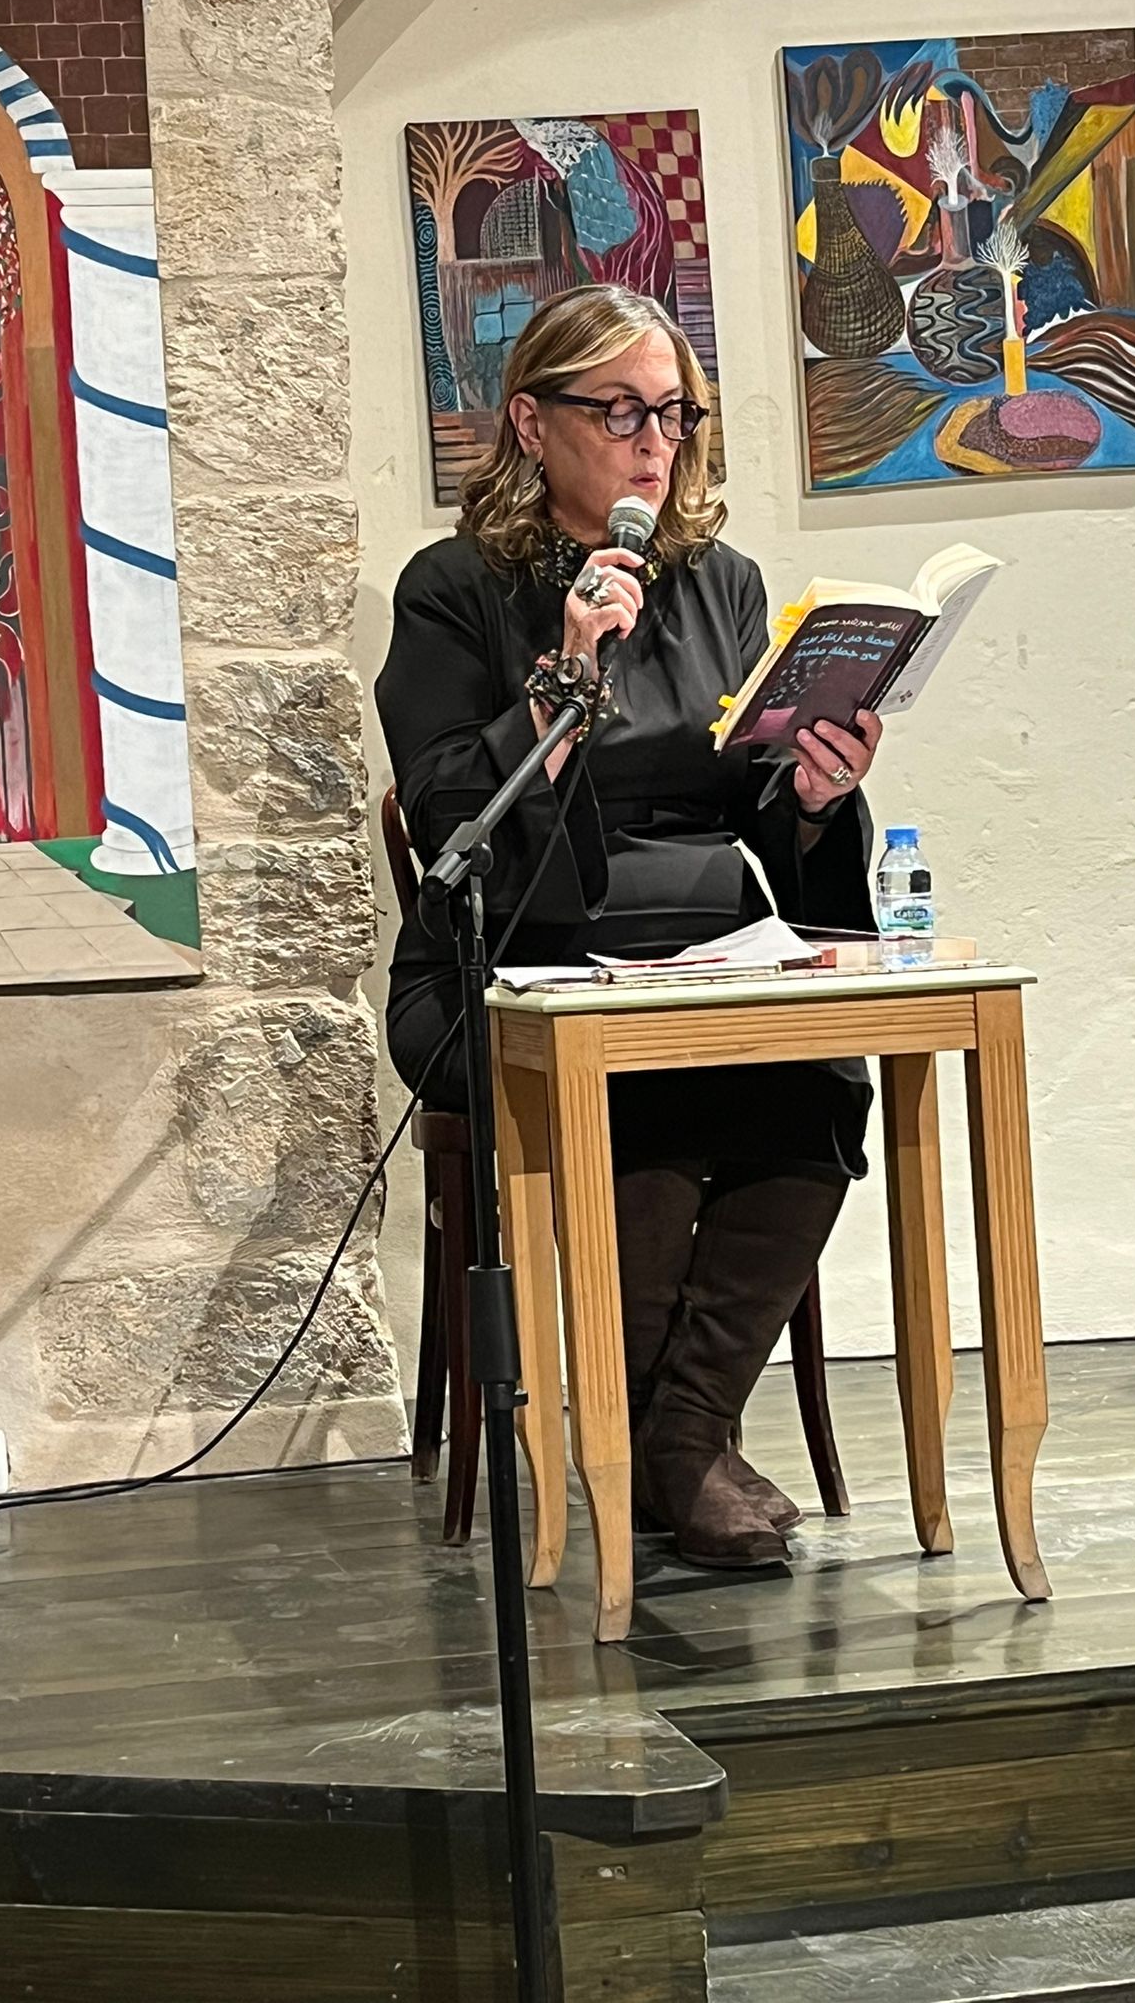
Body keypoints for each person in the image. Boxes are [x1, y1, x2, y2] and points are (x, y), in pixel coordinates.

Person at [376, 284, 883, 1570]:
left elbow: (754, 798)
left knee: (821, 1076)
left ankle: (674, 1434)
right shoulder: (453, 589)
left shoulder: (723, 583)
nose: (655, 442)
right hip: (516, 951)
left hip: (707, 946)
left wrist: (816, 793)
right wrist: (566, 672)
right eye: (619, 412)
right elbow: (443, 808)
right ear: (531, 424)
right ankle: (681, 1450)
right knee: (648, 1094)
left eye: (673, 412)